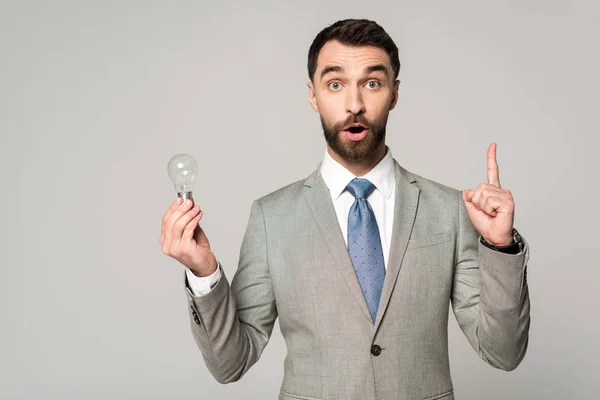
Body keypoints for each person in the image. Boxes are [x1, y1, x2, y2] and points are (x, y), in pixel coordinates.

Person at [159, 18, 530, 400]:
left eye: (372, 83)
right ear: (313, 95)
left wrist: (501, 248)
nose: (354, 104)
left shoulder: (449, 210)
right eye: (335, 84)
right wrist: (204, 274)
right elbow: (230, 364)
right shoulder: (272, 218)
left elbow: (503, 353)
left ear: (394, 93)